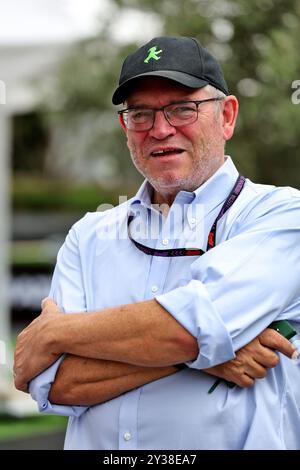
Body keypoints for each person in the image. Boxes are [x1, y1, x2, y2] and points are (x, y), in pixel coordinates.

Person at [14, 36, 300, 450]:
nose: (160, 129)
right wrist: (215, 354)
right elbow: (54, 383)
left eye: (183, 108)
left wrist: (57, 333)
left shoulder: (281, 215)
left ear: (227, 116)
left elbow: (190, 328)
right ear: (124, 127)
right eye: (141, 114)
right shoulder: (89, 235)